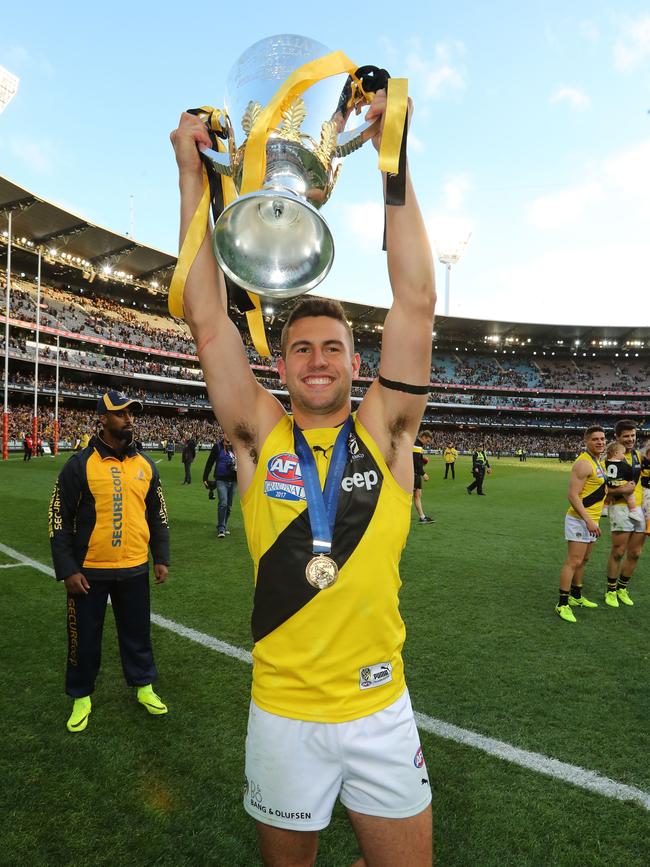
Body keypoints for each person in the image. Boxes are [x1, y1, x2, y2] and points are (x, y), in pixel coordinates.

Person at [171, 88, 434, 866]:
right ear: (281, 365)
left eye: (332, 348)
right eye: (301, 348)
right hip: (283, 710)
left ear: (357, 363)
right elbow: (207, 318)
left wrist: (396, 160)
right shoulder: (258, 433)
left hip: (379, 706)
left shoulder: (387, 432)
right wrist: (192, 176)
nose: (317, 359)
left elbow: (416, 301)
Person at [48, 390, 170, 732]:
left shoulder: (145, 465)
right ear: (102, 418)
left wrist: (160, 556)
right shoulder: (79, 465)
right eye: (121, 413)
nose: (129, 418)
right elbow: (58, 516)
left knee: (138, 633)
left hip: (134, 569)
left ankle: (144, 686)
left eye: (131, 413)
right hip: (89, 573)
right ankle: (81, 695)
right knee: (83, 638)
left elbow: (158, 514)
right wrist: (68, 568)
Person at [555, 425, 607, 623]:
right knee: (573, 561)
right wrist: (588, 521)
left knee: (584, 560)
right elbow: (572, 495)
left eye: (602, 438)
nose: (600, 442)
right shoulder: (584, 463)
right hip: (580, 520)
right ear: (586, 441)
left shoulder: (597, 461)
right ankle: (562, 604)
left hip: (591, 520)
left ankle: (576, 596)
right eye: (595, 439)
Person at [604, 419, 646, 607]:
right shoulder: (611, 459)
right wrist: (621, 491)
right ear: (618, 437)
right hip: (620, 508)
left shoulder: (638, 455)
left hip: (640, 509)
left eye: (633, 435)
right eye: (626, 436)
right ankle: (611, 591)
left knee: (635, 553)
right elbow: (602, 488)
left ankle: (622, 588)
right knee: (619, 552)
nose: (630, 439)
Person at [604, 441, 645, 529]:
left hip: (610, 483)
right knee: (630, 497)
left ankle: (604, 508)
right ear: (616, 453)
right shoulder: (623, 464)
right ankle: (633, 512)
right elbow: (630, 473)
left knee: (608, 496)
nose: (623, 455)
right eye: (622, 453)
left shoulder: (605, 462)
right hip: (621, 484)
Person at [203, 435, 237, 537]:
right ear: (224, 434)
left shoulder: (237, 447)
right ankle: (221, 528)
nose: (228, 435)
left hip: (234, 480)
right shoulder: (217, 446)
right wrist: (205, 477)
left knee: (229, 506)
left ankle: (224, 525)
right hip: (221, 479)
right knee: (223, 503)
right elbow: (210, 462)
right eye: (226, 433)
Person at [413, 430, 434, 524]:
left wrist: (423, 461)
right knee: (410, 497)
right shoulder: (417, 445)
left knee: (417, 495)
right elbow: (415, 463)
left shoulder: (419, 445)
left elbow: (417, 461)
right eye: (428, 440)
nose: (428, 443)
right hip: (414, 474)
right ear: (424, 437)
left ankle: (422, 517)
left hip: (416, 474)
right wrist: (423, 473)